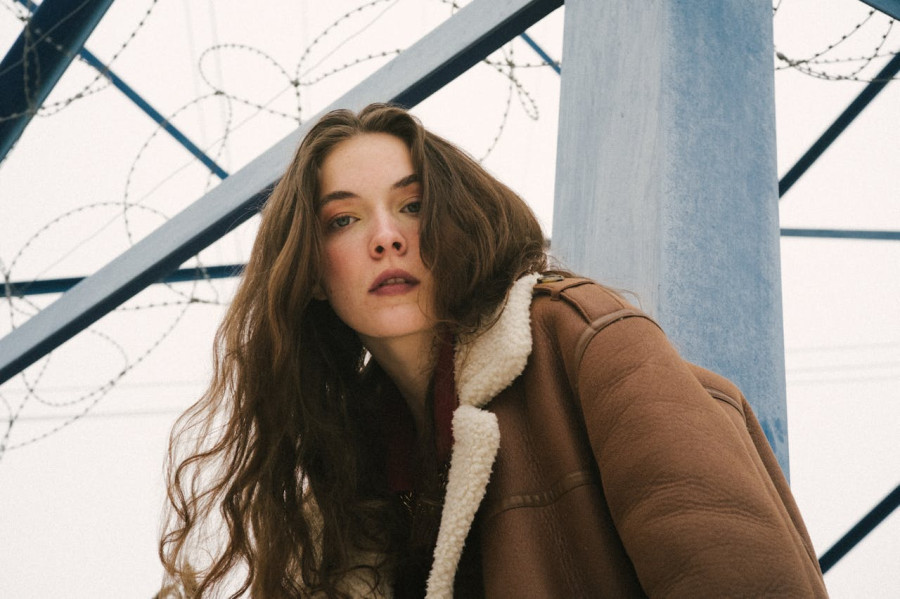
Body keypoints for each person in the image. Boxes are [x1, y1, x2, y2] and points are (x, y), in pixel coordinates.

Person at [159, 103, 828, 598]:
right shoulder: (338, 502)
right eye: (344, 220)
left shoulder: (581, 338)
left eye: (412, 206)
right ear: (309, 272)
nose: (387, 237)